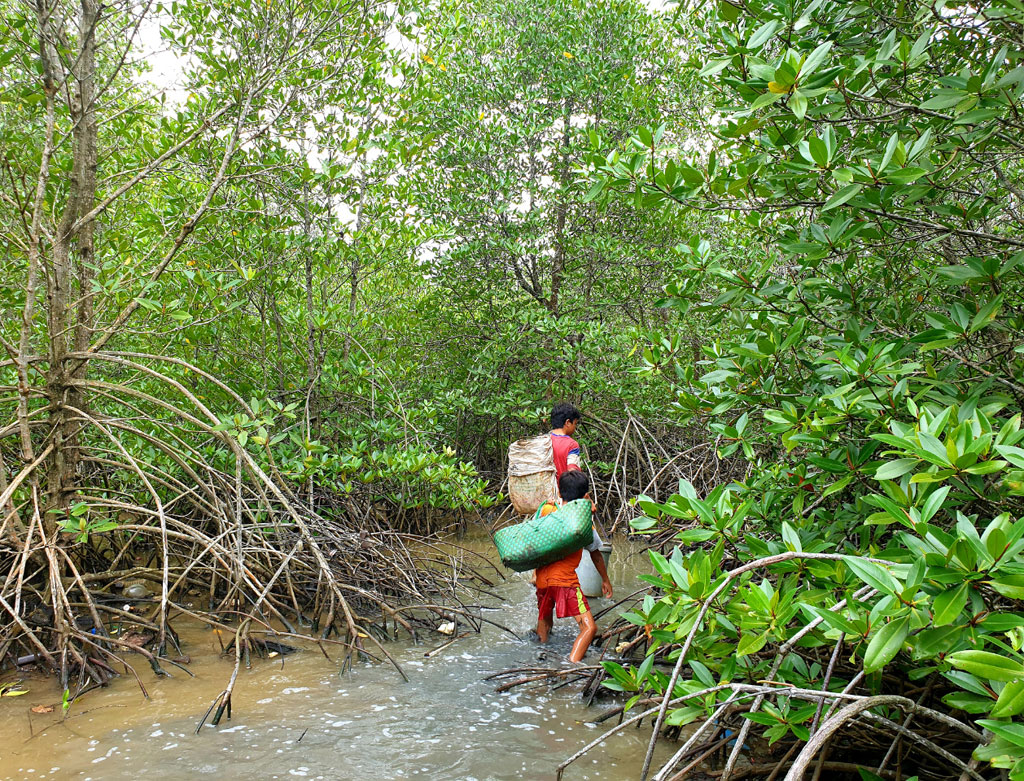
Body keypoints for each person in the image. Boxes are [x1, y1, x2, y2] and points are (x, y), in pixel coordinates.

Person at [534, 470, 613, 663]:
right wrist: (605, 579)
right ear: (586, 496)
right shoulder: (584, 524)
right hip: (565, 583)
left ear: (560, 493)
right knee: (589, 628)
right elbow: (595, 553)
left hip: (542, 580)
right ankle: (571, 665)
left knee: (544, 621)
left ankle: (540, 656)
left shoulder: (547, 510)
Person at [549, 402, 583, 479]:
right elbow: (573, 471)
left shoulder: (542, 441)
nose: (575, 427)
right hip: (564, 490)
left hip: (545, 490)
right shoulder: (571, 444)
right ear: (567, 422)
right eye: (575, 423)